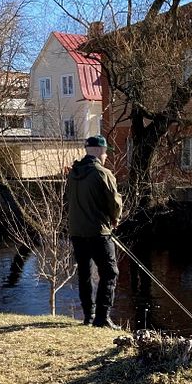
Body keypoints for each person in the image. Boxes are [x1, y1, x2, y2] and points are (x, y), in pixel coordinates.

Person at [66, 134, 123, 329]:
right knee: (110, 272)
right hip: (99, 232)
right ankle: (102, 318)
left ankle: (88, 316)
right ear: (99, 151)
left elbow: (69, 201)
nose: (106, 155)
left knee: (84, 273)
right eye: (105, 152)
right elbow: (115, 203)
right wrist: (114, 219)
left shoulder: (73, 173)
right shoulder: (102, 173)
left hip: (76, 231)